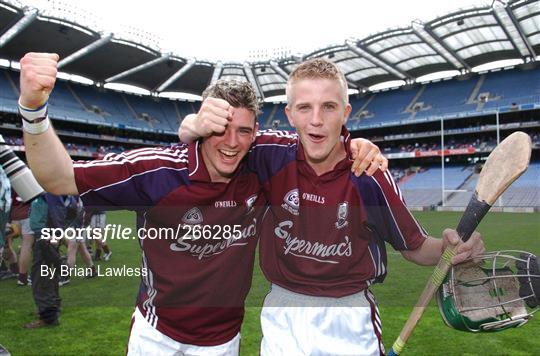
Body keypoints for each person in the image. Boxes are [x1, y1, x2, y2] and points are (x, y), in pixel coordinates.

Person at [18, 52, 385, 355]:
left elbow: (316, 141)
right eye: (220, 128)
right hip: (156, 337)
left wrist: (356, 145)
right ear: (204, 125)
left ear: (255, 134)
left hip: (223, 343)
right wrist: (33, 109)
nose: (232, 142)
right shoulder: (156, 171)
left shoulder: (260, 166)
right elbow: (58, 178)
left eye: (243, 131)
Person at [180, 58, 485, 355]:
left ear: (345, 112)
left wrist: (446, 248)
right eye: (304, 107)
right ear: (289, 114)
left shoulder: (369, 174)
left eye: (329, 106)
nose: (316, 119)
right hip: (284, 310)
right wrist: (195, 122)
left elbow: (414, 247)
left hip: (349, 314)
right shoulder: (268, 154)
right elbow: (191, 137)